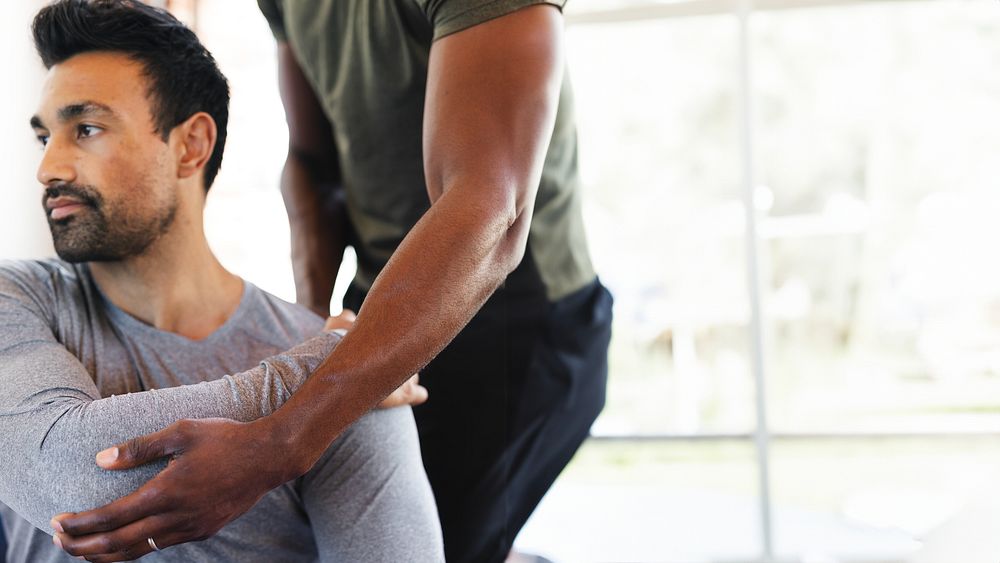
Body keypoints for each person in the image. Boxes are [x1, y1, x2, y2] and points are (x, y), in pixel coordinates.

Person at [51, 1, 614, 562]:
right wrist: (309, 334)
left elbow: (492, 215)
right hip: (375, 299)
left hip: (515, 323)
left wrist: (278, 444)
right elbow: (313, 166)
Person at [0, 1, 443, 561]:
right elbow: (73, 477)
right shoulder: (346, 373)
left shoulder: (353, 381)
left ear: (191, 145)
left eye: (86, 129)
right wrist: (334, 368)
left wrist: (345, 370)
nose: (50, 168)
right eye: (46, 138)